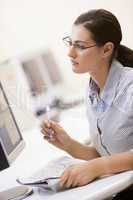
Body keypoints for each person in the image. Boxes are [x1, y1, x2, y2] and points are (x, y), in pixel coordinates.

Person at [41, 9, 133, 199]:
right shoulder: (93, 89)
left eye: (80, 46)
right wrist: (69, 144)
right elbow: (108, 154)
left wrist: (96, 167)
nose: (70, 53)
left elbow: (104, 163)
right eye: (70, 43)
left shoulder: (130, 86)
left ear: (107, 49)